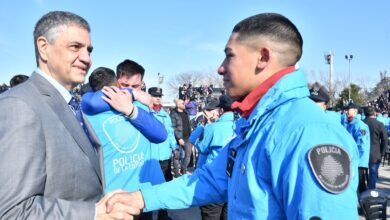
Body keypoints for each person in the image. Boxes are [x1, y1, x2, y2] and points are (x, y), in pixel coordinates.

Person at [105, 13, 360, 219]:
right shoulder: (258, 123)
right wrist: (140, 198)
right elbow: (208, 181)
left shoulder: (308, 132)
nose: (220, 67)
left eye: (229, 55)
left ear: (263, 57)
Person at [0, 11, 133, 219]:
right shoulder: (20, 106)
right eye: (75, 47)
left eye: (89, 50)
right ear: (44, 47)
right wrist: (93, 213)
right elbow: (14, 212)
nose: (87, 58)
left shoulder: (71, 103)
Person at [83, 67, 167, 220]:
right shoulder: (137, 107)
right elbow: (161, 135)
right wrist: (132, 95)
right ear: (116, 84)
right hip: (139, 195)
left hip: (114, 198)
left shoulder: (85, 115)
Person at [195, 95, 235, 220]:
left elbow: (201, 148)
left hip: (214, 181)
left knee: (210, 214)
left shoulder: (213, 127)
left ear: (221, 110)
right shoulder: (241, 125)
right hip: (233, 182)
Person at [148, 87, 177, 220]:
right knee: (148, 186)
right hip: (150, 157)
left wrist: (174, 147)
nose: (158, 98)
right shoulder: (144, 112)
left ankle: (162, 214)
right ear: (149, 96)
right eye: (155, 95)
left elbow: (170, 132)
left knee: (164, 185)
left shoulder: (165, 114)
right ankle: (146, 214)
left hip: (165, 156)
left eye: (159, 96)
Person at [342, 102, 370, 193]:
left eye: (348, 110)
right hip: (350, 159)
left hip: (358, 161)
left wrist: (355, 159)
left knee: (360, 185)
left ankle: (364, 205)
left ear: (355, 111)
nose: (346, 112)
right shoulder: (349, 123)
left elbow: (362, 145)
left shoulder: (359, 125)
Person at [363, 106, 388, 189]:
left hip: (362, 152)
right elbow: (384, 139)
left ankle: (361, 191)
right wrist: (382, 152)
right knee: (373, 173)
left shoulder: (361, 123)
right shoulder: (379, 124)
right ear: (374, 113)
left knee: (361, 174)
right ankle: (371, 191)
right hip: (375, 152)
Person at [170, 98, 192, 176]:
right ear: (178, 105)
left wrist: (191, 136)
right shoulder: (173, 113)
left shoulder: (186, 113)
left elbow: (189, 125)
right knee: (177, 156)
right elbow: (173, 127)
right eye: (183, 103)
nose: (184, 104)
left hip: (187, 138)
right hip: (178, 139)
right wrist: (179, 138)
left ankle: (183, 169)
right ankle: (176, 172)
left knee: (188, 155)